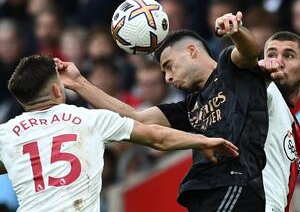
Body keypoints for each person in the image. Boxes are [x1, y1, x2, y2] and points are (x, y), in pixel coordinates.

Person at [56, 11, 268, 212]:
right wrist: (78, 83)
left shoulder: (230, 70)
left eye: (169, 65)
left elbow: (249, 53)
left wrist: (236, 31)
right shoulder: (190, 106)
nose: (167, 78)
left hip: (236, 183)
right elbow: (134, 117)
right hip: (203, 193)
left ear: (191, 51)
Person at [0, 54, 238, 212]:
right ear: (56, 88)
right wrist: (200, 140)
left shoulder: (7, 135)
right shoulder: (89, 119)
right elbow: (158, 137)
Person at [257, 31, 300, 212]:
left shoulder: (293, 125)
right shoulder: (259, 93)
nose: (277, 62)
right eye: (271, 55)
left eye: (288, 55)